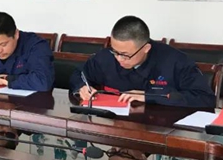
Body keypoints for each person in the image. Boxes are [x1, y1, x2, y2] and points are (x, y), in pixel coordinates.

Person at [70, 15, 215, 107]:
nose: (119, 59)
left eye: (125, 55)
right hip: (116, 126)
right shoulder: (106, 57)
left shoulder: (175, 62)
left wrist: (151, 96)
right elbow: (79, 74)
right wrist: (82, 87)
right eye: (115, 52)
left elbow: (205, 99)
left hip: (161, 131)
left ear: (146, 48)